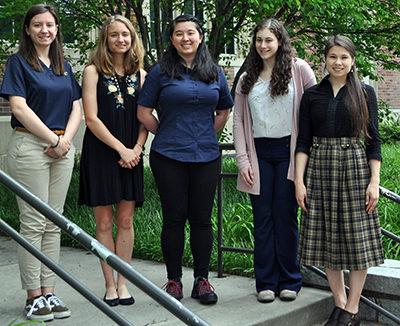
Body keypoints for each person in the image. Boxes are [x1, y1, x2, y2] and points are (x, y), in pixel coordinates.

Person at [137, 14, 233, 305]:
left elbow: (223, 111)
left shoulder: (214, 72)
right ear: (171, 40)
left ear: (200, 37)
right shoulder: (160, 72)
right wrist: (167, 133)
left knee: (202, 219)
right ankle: (174, 280)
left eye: (191, 33)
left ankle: (202, 281)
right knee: (174, 218)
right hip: (168, 156)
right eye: (179, 34)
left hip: (206, 155)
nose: (185, 38)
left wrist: (203, 135)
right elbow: (143, 112)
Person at [0, 4, 81, 322]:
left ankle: (49, 290)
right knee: (33, 224)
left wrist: (65, 142)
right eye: (38, 25)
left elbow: (77, 106)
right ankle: (33, 296)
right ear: (28, 30)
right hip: (31, 147)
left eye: (50, 24)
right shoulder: (18, 63)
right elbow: (19, 108)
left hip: (62, 147)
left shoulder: (65, 64)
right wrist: (52, 139)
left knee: (54, 223)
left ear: (57, 28)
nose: (45, 30)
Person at [295, 35, 383, 326]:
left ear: (353, 61)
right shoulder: (312, 95)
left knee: (358, 242)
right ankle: (340, 303)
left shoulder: (365, 93)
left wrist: (374, 182)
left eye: (344, 57)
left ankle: (352, 308)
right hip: (320, 168)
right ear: (325, 59)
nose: (338, 62)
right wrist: (299, 181)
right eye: (333, 56)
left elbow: (374, 142)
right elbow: (303, 141)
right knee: (326, 240)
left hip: (355, 167)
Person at [233, 18, 316, 303]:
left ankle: (290, 280)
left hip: (290, 154)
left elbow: (311, 113)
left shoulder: (299, 70)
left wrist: (306, 160)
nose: (263, 45)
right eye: (259, 40)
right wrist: (243, 161)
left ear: (280, 41)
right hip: (259, 154)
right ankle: (265, 282)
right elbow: (239, 122)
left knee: (286, 216)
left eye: (269, 40)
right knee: (263, 219)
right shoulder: (247, 77)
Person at [79, 15, 147, 307]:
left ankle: (124, 282)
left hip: (132, 153)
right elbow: (91, 118)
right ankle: (109, 284)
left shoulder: (142, 75)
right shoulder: (92, 71)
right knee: (104, 221)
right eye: (114, 35)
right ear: (105, 40)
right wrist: (121, 149)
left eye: (126, 35)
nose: (120, 40)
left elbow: (145, 118)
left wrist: (137, 149)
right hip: (102, 153)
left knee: (126, 219)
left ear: (133, 39)